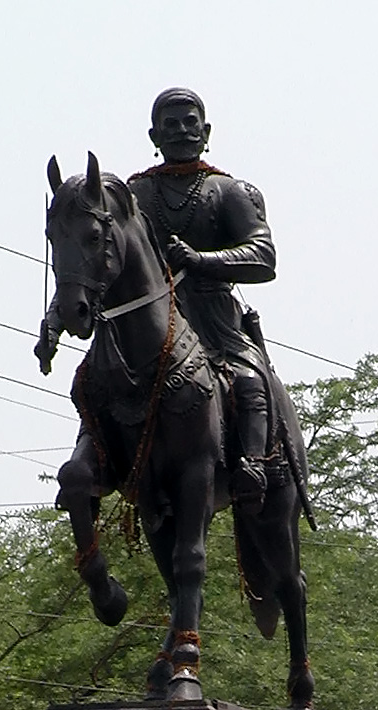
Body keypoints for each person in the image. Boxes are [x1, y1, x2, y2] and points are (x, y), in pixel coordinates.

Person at [126, 87, 276, 512]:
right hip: (153, 319)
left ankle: (253, 464)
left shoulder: (229, 191)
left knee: (248, 379)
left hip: (214, 319)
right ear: (153, 136)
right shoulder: (134, 195)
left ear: (205, 130)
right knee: (98, 382)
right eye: (169, 125)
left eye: (189, 122)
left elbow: (263, 255)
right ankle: (96, 464)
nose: (180, 131)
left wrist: (202, 259)